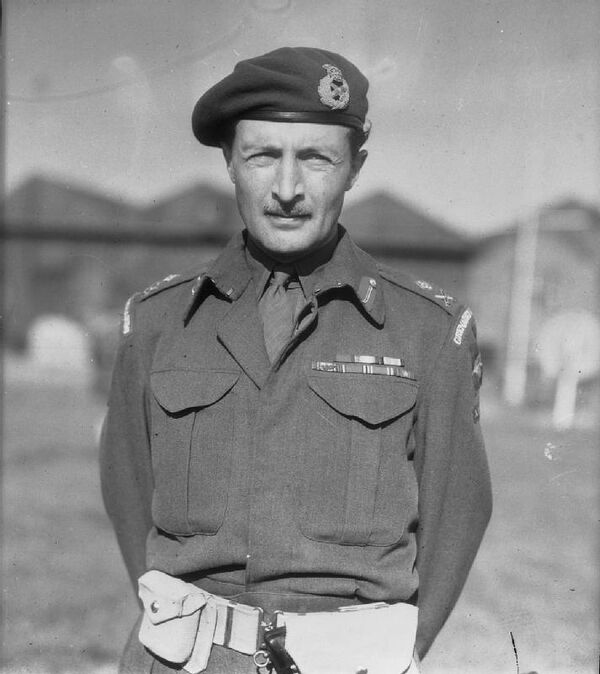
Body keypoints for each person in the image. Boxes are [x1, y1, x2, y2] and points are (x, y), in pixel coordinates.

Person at [100, 46, 492, 674]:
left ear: (354, 168)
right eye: (262, 155)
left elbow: (458, 514)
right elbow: (128, 487)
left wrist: (392, 653)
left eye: (316, 157)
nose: (287, 189)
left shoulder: (429, 331)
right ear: (229, 161)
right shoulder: (156, 322)